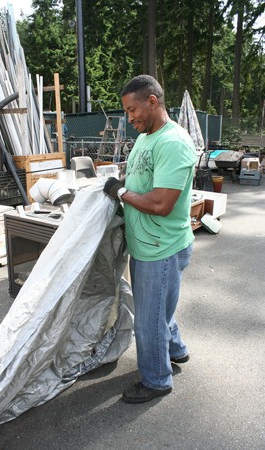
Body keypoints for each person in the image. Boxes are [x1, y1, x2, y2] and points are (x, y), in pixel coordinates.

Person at [103, 74, 197, 404]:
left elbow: (160, 203)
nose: (130, 119)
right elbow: (141, 178)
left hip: (161, 249)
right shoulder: (148, 136)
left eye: (132, 111)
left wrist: (122, 192)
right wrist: (122, 187)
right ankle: (177, 350)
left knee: (148, 320)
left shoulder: (173, 143)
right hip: (148, 245)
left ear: (152, 102)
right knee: (160, 309)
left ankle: (157, 380)